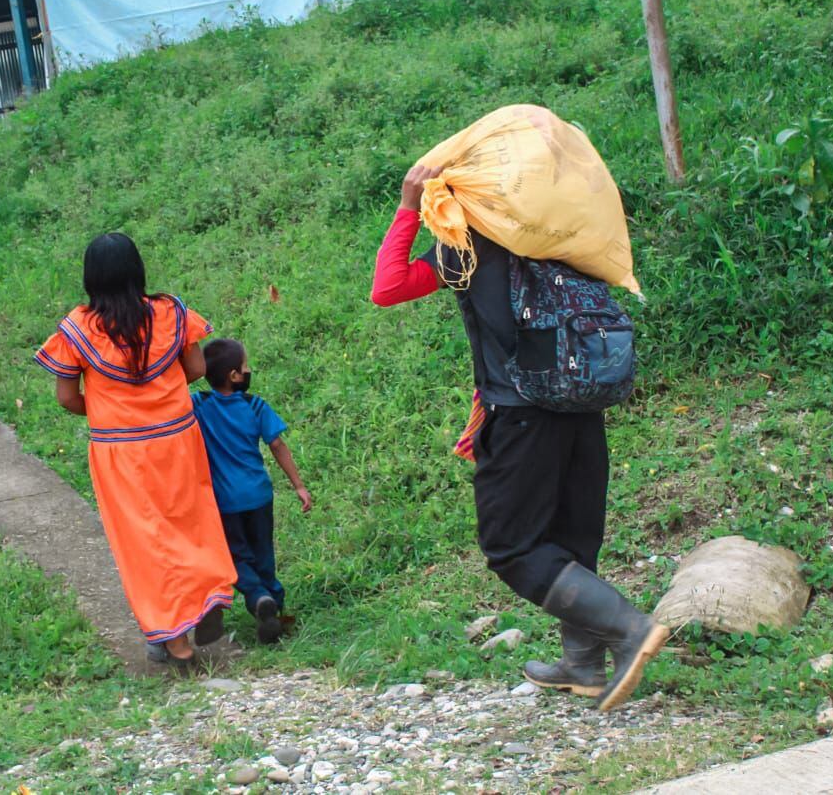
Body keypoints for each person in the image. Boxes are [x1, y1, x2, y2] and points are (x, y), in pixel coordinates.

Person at [370, 165, 668, 712]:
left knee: (512, 547)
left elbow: (386, 288)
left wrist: (409, 204)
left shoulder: (467, 249)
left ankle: (629, 628)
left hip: (520, 416)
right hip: (581, 408)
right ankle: (583, 664)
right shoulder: (565, 241)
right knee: (572, 540)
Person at [35, 233, 236, 663]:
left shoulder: (77, 329)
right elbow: (197, 368)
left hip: (121, 451)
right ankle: (205, 596)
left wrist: (110, 409)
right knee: (191, 519)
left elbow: (68, 398)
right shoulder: (170, 312)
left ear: (91, 278)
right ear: (137, 269)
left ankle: (176, 642)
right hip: (178, 436)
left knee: (144, 540)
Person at [193, 338, 312, 644]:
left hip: (225, 500)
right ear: (235, 375)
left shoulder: (200, 406)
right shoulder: (255, 405)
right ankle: (273, 603)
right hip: (259, 495)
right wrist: (298, 485)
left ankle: (258, 598)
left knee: (237, 557)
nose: (249, 370)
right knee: (263, 551)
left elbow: (173, 395)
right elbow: (277, 444)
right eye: (246, 366)